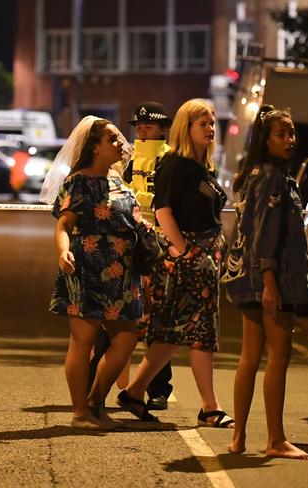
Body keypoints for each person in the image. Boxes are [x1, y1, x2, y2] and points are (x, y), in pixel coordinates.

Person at [108, 99, 234, 427]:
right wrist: (187, 251)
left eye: (212, 124)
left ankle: (135, 391)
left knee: (170, 332)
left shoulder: (200, 166)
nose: (210, 129)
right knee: (201, 332)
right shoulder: (175, 165)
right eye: (202, 124)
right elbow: (163, 211)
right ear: (185, 128)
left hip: (202, 255)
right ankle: (210, 407)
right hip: (189, 258)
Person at [40, 115, 150, 430]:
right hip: (86, 266)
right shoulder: (78, 182)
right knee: (83, 340)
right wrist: (63, 251)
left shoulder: (118, 181)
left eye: (119, 138)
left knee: (127, 338)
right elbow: (64, 224)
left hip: (122, 272)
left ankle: (95, 401)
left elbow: (132, 219)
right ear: (95, 148)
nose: (121, 143)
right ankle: (80, 412)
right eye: (112, 139)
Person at [222, 106, 308, 460]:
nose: (290, 140)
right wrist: (269, 279)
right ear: (266, 138)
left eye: (292, 133)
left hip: (251, 277)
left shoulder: (255, 174)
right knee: (279, 355)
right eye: (282, 134)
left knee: (250, 356)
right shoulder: (273, 178)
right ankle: (275, 439)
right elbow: (266, 232)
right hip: (271, 280)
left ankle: (239, 436)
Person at [88, 101, 174, 411]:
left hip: (158, 243)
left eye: (147, 127)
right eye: (138, 126)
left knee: (157, 318)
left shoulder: (169, 158)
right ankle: (92, 383)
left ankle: (157, 386)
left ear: (163, 128)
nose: (141, 131)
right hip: (128, 242)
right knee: (114, 314)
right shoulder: (126, 159)